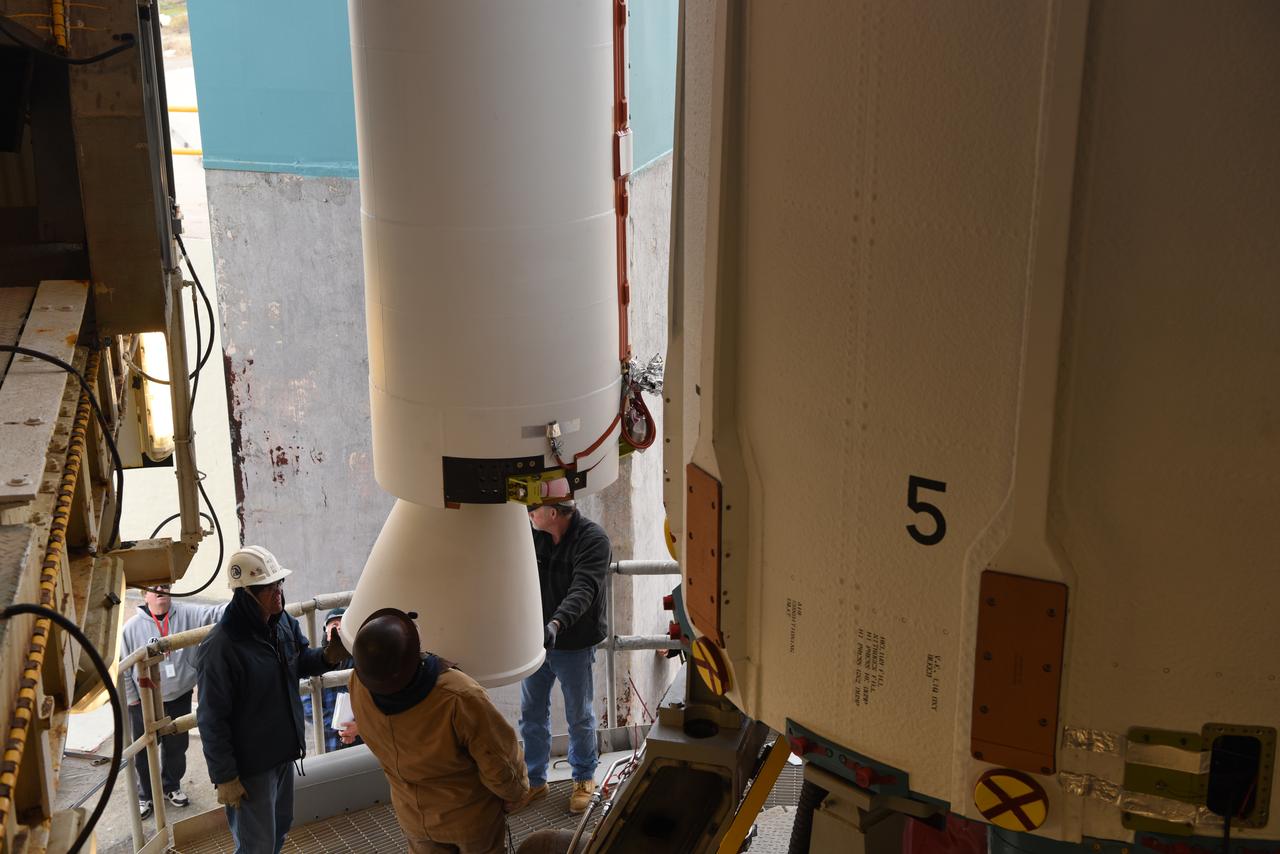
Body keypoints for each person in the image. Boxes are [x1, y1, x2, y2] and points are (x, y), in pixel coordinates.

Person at [195, 546, 348, 854]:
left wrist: (328, 657)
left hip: (281, 754)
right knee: (257, 846)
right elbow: (212, 718)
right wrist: (225, 777)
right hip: (250, 768)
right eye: (268, 587)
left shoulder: (281, 623)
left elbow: (300, 660)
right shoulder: (221, 648)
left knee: (278, 830)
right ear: (245, 594)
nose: (277, 592)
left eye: (279, 583)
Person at [349, 608, 530, 853]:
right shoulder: (458, 695)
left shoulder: (358, 684)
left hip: (412, 817)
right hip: (470, 820)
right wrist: (514, 793)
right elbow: (499, 758)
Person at [520, 498, 611, 814]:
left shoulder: (593, 540)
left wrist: (556, 624)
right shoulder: (531, 534)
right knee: (531, 713)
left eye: (534, 507)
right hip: (537, 643)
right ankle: (534, 780)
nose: (528, 512)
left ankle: (584, 778)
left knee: (579, 715)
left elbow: (584, 589)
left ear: (553, 513)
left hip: (574, 644)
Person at [120, 584, 226, 819]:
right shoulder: (131, 628)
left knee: (177, 747)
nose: (160, 590)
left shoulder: (187, 613)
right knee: (145, 750)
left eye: (165, 586)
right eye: (154, 587)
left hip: (180, 694)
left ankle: (171, 786)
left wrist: (245, 600)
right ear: (144, 595)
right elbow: (124, 667)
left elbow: (216, 613)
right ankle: (146, 795)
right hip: (145, 700)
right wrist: (132, 699)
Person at [301, 607, 359, 752]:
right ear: (325, 632)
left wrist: (359, 726)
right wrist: (339, 724)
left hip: (363, 737)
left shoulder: (362, 661)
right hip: (331, 743)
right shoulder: (315, 665)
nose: (337, 628)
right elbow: (308, 706)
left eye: (341, 624)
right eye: (333, 625)